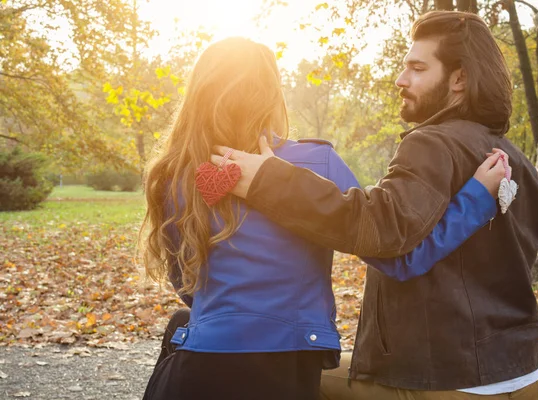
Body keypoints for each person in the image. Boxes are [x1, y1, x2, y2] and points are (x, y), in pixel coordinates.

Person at [139, 37, 508, 400]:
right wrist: (474, 199)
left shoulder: (173, 175)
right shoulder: (318, 162)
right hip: (287, 369)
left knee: (179, 324)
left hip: (199, 365)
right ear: (271, 94)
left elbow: (186, 282)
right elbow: (399, 258)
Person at [210, 11, 538, 400]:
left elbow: (377, 229)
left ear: (460, 79)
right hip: (522, 376)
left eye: (418, 68)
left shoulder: (432, 143)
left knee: (273, 373)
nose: (401, 80)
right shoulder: (516, 160)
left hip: (445, 381)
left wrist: (270, 180)